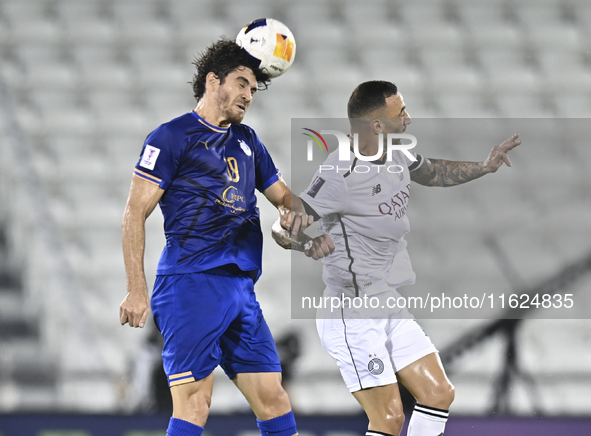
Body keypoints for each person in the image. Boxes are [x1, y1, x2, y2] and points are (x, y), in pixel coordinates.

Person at [276, 80, 521, 436]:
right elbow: (284, 228)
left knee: (438, 393)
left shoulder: (399, 153)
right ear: (376, 125)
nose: (409, 117)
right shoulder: (339, 173)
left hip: (385, 301)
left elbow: (434, 172)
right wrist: (306, 244)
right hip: (350, 311)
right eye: (401, 111)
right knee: (389, 419)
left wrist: (484, 166)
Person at [120, 39, 311, 436]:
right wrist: (136, 289)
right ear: (213, 80)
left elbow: (284, 196)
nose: (248, 95)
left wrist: (292, 214)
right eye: (242, 83)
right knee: (195, 405)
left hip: (240, 287)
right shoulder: (171, 137)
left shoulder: (249, 141)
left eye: (254, 90)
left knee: (274, 399)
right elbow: (135, 212)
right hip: (191, 284)